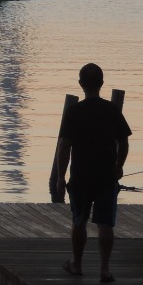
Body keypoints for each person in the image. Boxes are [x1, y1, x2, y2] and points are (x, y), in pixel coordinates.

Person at [55, 63, 131, 283]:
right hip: (106, 174)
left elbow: (64, 146)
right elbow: (124, 141)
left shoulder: (74, 111)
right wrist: (119, 164)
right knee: (105, 223)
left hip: (81, 175)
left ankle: (77, 264)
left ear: (81, 84)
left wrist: (61, 176)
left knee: (79, 221)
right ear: (102, 84)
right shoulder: (111, 110)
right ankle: (104, 269)